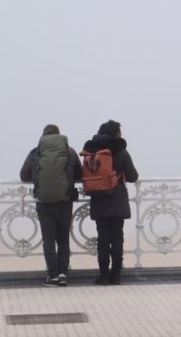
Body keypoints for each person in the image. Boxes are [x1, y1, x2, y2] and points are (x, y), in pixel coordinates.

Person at [19, 124, 83, 286]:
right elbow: (80, 174)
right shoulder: (69, 152)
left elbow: (23, 175)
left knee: (48, 240)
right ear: (59, 135)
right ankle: (63, 274)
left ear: (43, 136)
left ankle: (52, 275)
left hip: (44, 202)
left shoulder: (36, 153)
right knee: (63, 239)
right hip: (65, 201)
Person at [83, 119, 140, 285]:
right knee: (117, 238)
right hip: (117, 200)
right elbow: (133, 176)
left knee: (102, 237)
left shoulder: (91, 150)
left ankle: (103, 275)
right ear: (117, 134)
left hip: (98, 199)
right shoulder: (121, 151)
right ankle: (116, 275)